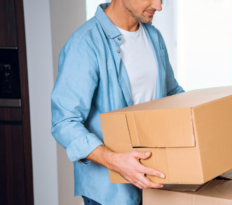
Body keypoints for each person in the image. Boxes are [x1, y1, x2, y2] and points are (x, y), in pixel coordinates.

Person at [51, 0, 184, 204]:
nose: (158, 6)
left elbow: (172, 92)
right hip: (110, 194)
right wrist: (116, 161)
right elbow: (64, 123)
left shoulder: (153, 36)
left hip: (155, 181)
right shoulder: (84, 44)